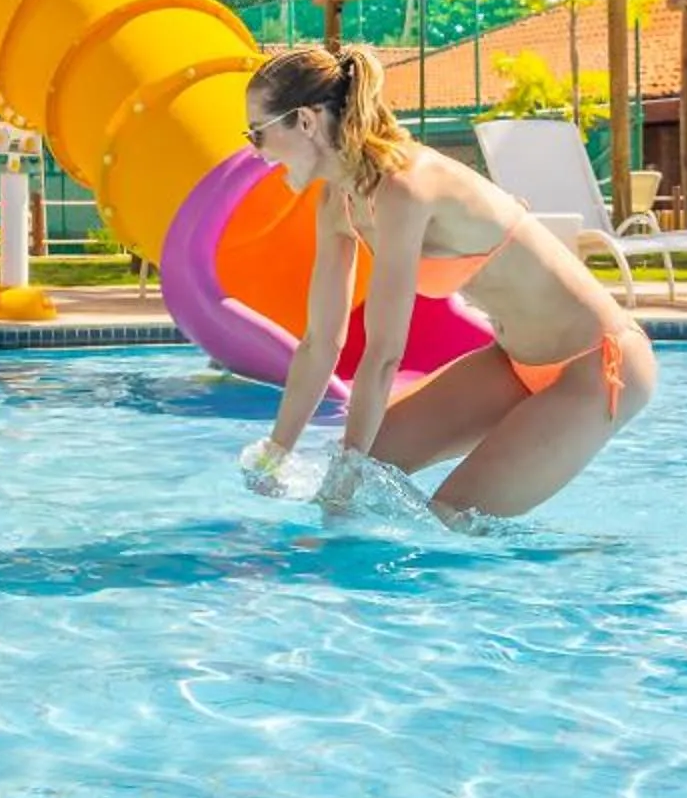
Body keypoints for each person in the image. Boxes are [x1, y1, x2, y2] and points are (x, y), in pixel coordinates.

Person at [242, 41, 656, 523]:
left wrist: (346, 474)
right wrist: (277, 453)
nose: (256, 152)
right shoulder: (337, 203)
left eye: (257, 133)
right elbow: (319, 344)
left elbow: (384, 355)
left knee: (451, 516)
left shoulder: (404, 186)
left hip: (597, 364)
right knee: (358, 469)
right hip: (512, 364)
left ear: (306, 122)